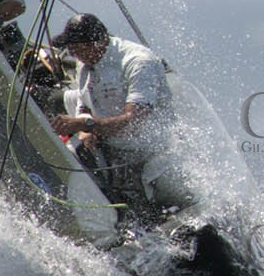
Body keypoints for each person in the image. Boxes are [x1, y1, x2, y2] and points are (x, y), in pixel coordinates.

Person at [47, 13, 186, 224]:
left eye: (78, 49)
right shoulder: (85, 61)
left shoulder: (139, 62)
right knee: (74, 155)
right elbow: (85, 101)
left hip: (153, 157)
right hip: (113, 153)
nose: (74, 55)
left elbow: (134, 123)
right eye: (71, 50)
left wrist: (87, 124)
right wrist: (85, 128)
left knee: (159, 214)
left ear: (98, 42)